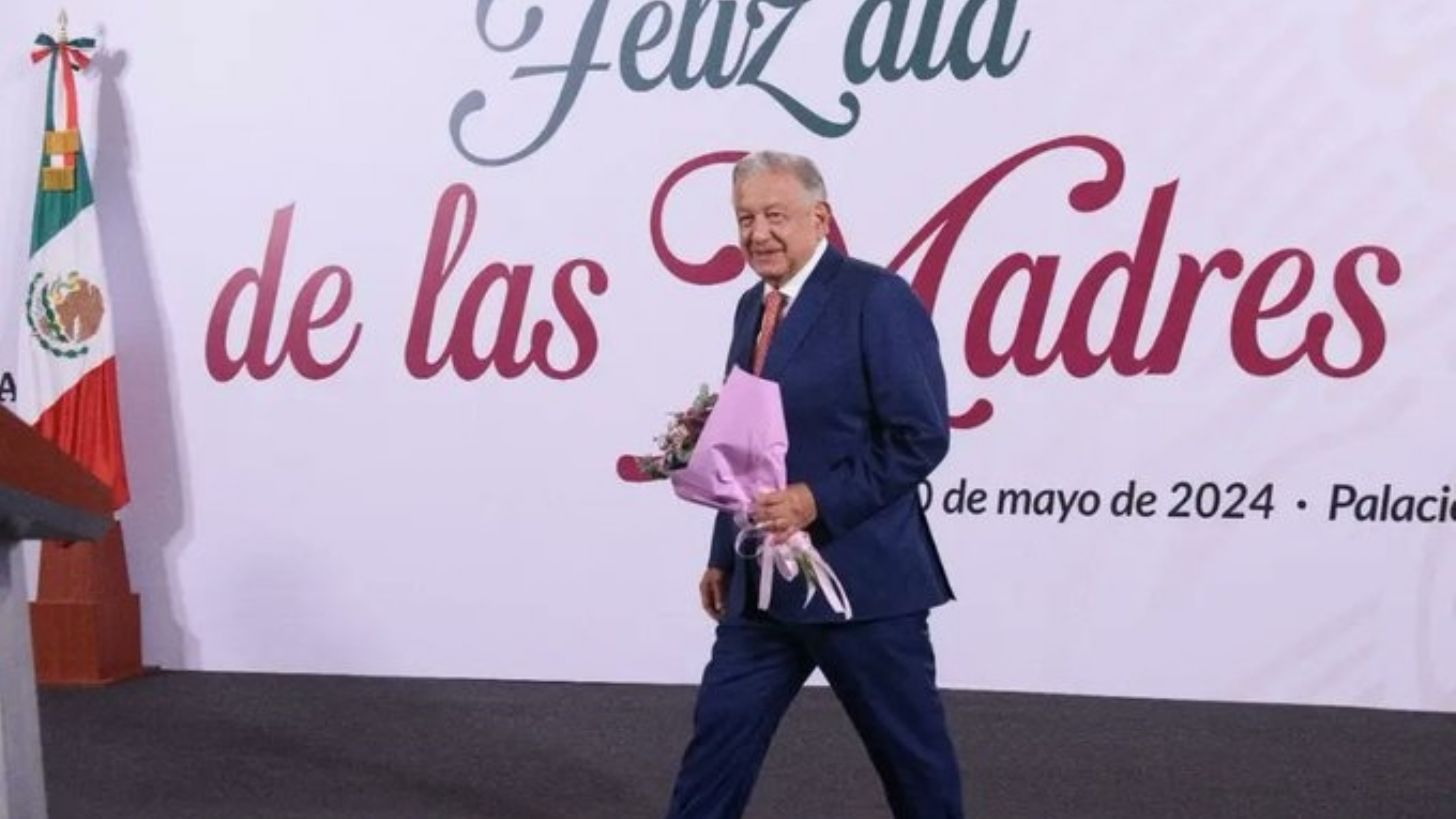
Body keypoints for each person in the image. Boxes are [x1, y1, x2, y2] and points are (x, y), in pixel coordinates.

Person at [664, 150, 964, 818]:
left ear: (820, 218)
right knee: (715, 749)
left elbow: (920, 435)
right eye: (745, 218)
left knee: (914, 767)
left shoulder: (876, 297)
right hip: (761, 592)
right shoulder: (751, 306)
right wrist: (722, 554)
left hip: (864, 586)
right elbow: (740, 442)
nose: (758, 233)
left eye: (775, 215)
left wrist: (814, 499)